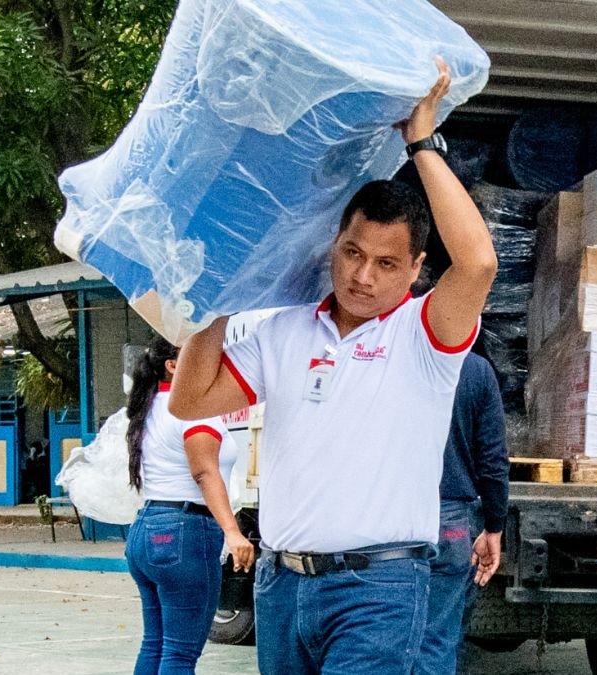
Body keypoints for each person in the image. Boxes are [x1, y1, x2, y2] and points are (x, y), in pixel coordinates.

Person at [169, 57, 497, 675]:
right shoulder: (285, 330)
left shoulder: (426, 333)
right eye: (351, 252)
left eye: (385, 263)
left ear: (417, 268)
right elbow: (190, 402)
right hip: (282, 587)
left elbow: (478, 263)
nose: (362, 275)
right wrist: (214, 300)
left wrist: (421, 142)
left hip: (379, 588)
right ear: (334, 244)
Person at [124, 335, 255, 675]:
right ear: (172, 366)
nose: (209, 360)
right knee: (180, 655)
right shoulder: (192, 410)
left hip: (147, 527)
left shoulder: (150, 407)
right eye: (197, 354)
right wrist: (232, 531)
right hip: (186, 533)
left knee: (155, 643)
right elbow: (204, 472)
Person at [416, 350, 510, 674]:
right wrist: (494, 527)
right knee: (439, 639)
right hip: (451, 520)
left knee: (385, 639)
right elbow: (493, 460)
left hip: (392, 517)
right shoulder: (476, 370)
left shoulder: (392, 354)